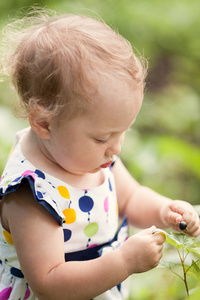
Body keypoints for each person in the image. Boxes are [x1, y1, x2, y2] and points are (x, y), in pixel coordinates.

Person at [0, 10, 199, 300]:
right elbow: (49, 283)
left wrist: (164, 210)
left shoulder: (87, 155)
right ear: (44, 123)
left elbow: (130, 197)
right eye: (102, 137)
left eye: (123, 131)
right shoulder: (31, 194)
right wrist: (124, 262)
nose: (116, 148)